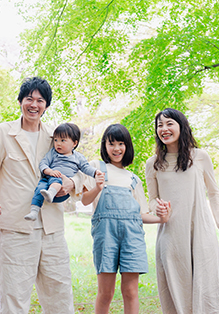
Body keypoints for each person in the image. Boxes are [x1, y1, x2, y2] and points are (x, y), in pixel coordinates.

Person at [0, 76, 84, 314]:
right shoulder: (3, 132)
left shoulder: (56, 136)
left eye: (40, 100)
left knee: (60, 294)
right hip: (17, 226)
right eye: (29, 99)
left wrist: (72, 182)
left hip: (52, 227)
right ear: (20, 101)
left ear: (46, 106)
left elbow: (79, 168)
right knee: (14, 295)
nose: (34, 104)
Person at [145, 108, 219, 314]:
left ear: (181, 126)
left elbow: (214, 192)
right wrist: (157, 209)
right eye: (160, 125)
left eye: (169, 124)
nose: (164, 129)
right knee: (176, 289)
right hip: (171, 234)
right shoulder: (153, 163)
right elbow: (152, 200)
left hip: (200, 231)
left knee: (206, 288)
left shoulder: (200, 157)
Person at [81, 124, 169, 314]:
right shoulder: (97, 167)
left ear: (127, 146)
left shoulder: (133, 179)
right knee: (106, 293)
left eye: (121, 144)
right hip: (106, 236)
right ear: (105, 146)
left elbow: (140, 214)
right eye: (111, 144)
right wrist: (97, 187)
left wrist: (161, 219)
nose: (116, 149)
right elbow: (85, 200)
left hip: (132, 237)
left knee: (130, 291)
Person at [24, 122, 98, 221]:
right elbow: (43, 164)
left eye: (63, 140)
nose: (58, 143)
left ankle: (51, 193)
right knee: (39, 189)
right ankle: (34, 211)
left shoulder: (78, 157)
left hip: (62, 188)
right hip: (48, 180)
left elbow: (86, 168)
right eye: (56, 140)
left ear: (74, 143)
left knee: (57, 179)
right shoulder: (53, 153)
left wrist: (96, 173)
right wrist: (49, 171)